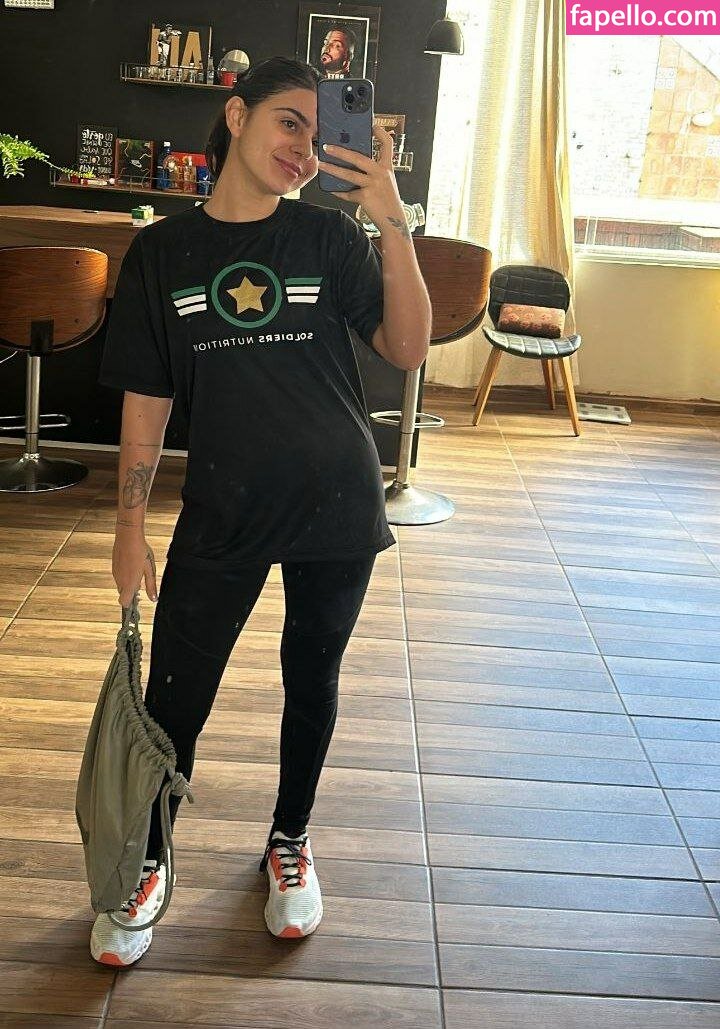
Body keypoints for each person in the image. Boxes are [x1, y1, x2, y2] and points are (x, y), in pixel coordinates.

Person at [89, 55, 431, 967]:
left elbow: (407, 346)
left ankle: (290, 839)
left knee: (311, 679)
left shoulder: (330, 238)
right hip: (223, 508)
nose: (304, 150)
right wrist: (128, 525)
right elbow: (148, 399)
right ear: (237, 116)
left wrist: (390, 220)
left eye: (318, 136)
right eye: (289, 122)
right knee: (176, 695)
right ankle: (147, 853)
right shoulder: (162, 252)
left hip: (336, 503)